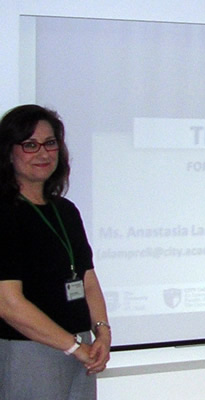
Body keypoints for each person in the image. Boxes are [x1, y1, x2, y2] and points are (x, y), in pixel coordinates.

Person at [0, 104, 111, 399]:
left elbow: (87, 279)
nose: (43, 153)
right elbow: (8, 303)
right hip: (30, 350)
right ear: (9, 153)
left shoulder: (65, 210)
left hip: (80, 347)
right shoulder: (5, 213)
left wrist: (102, 332)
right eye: (30, 145)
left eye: (50, 143)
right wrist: (72, 347)